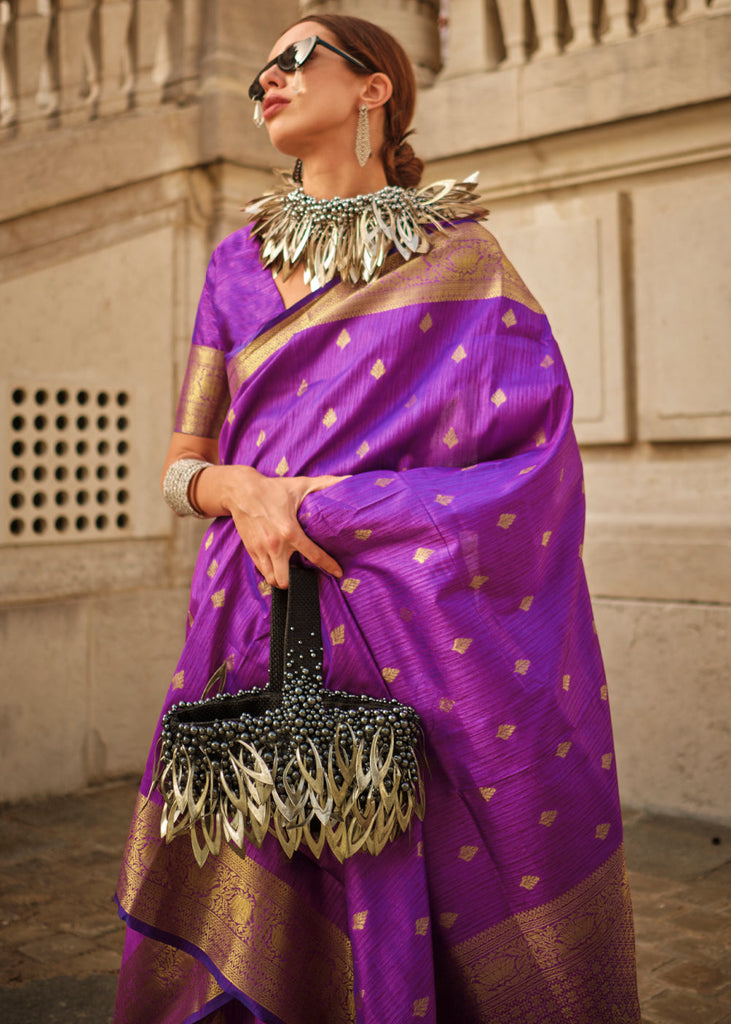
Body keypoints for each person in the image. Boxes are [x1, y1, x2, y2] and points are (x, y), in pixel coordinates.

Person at [114, 14, 641, 1024]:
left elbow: (532, 470)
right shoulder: (233, 266)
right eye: (261, 64)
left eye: (296, 56)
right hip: (251, 618)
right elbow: (183, 464)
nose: (266, 76)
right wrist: (240, 490)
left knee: (420, 894)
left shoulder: (462, 262)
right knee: (246, 863)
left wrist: (331, 502)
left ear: (374, 90)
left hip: (414, 636)